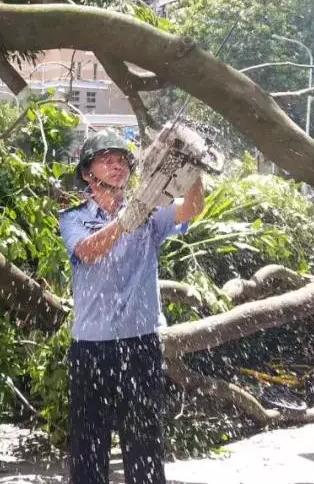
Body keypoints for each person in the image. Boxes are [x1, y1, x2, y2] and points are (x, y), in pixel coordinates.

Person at [58, 130, 205, 484]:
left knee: (145, 445)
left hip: (140, 344)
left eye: (122, 160)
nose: (117, 165)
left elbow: (192, 208)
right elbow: (87, 251)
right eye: (106, 160)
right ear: (87, 173)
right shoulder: (73, 218)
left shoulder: (150, 214)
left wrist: (194, 167)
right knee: (88, 447)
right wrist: (124, 223)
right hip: (91, 347)